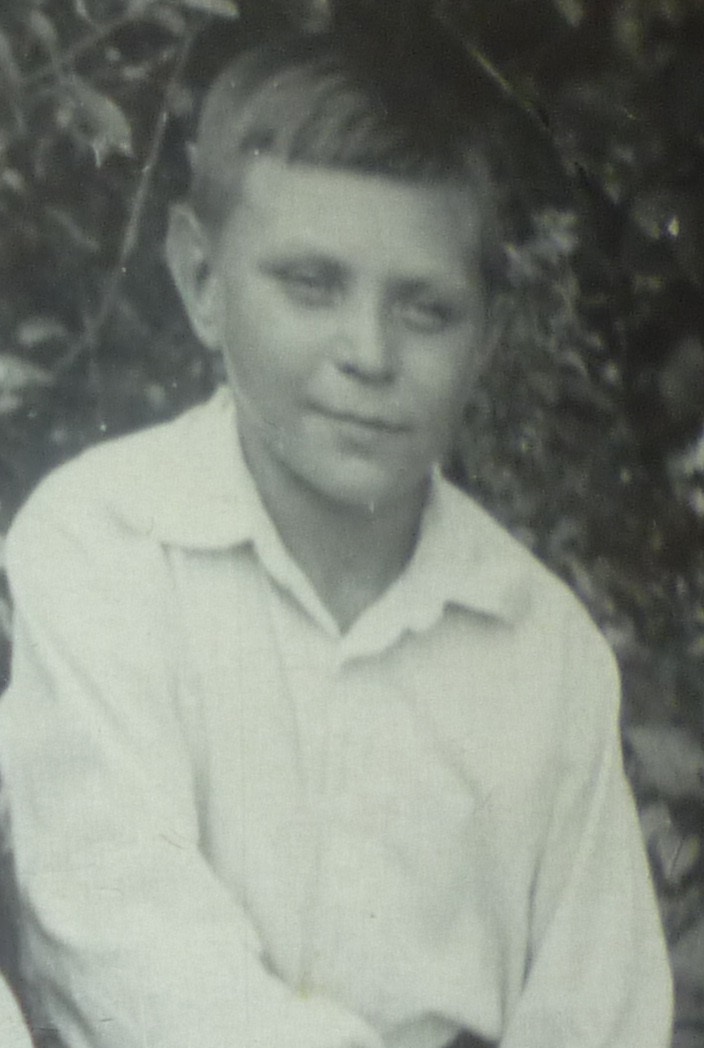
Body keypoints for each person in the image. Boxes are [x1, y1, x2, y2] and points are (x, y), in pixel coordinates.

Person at [0, 24, 672, 1048]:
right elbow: (123, 944)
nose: (368, 353)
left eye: (426, 309)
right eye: (310, 285)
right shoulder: (103, 546)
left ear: (487, 335)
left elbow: (600, 1011)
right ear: (201, 279)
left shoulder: (543, 651)